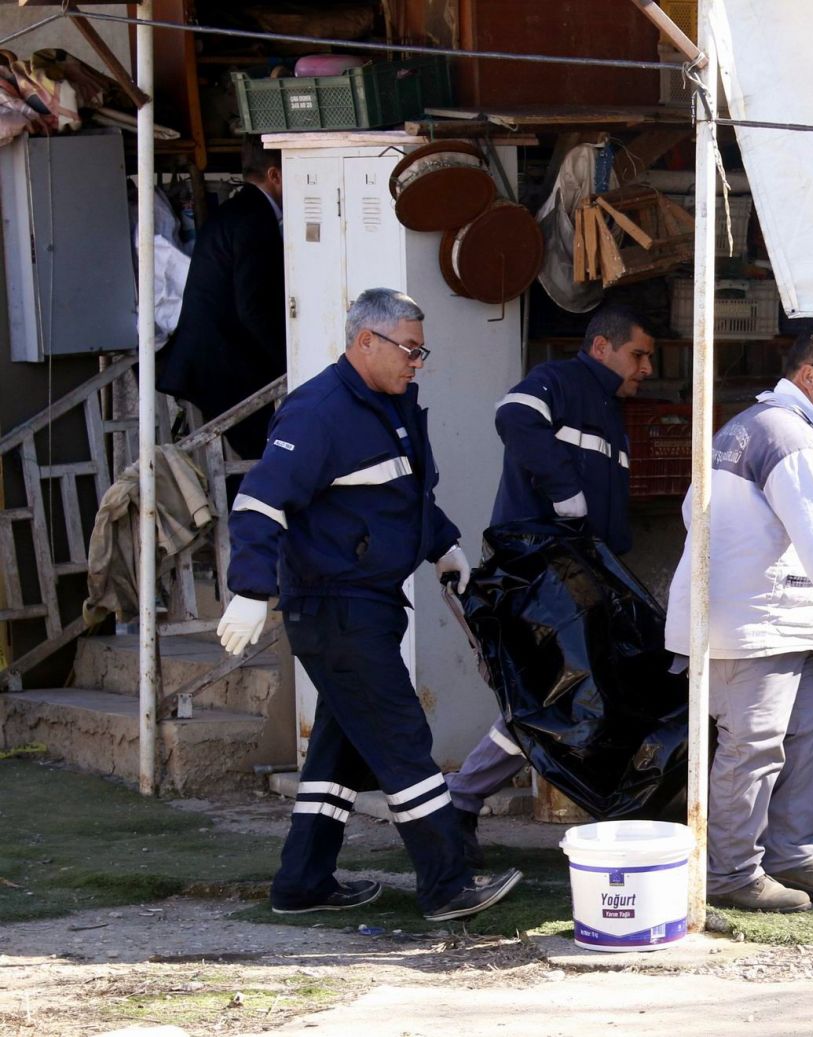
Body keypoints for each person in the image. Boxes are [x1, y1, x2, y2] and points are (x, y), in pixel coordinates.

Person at [216, 287, 522, 922]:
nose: (418, 362)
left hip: (369, 604)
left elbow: (405, 494)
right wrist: (249, 590)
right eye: (409, 349)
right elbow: (259, 504)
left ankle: (302, 882)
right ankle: (446, 884)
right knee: (401, 738)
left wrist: (444, 546)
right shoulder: (318, 412)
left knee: (339, 751)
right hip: (333, 607)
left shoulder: (393, 405)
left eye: (421, 349)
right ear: (365, 342)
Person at [665, 324, 813, 913]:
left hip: (757, 615)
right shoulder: (789, 439)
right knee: (753, 745)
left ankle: (792, 854)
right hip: (751, 624)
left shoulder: (754, 429)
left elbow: (692, 512)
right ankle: (731, 872)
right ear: (809, 377)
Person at [447, 304, 656, 865]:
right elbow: (513, 414)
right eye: (638, 355)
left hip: (580, 571)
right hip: (542, 566)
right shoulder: (560, 381)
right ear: (600, 348)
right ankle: (460, 801)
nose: (646, 369)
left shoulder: (609, 411)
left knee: (566, 698)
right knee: (553, 699)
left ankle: (466, 802)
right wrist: (564, 490)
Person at [157, 136, 287, 459]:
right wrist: (290, 361)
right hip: (220, 365)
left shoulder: (237, 210)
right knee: (269, 453)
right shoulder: (256, 220)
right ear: (275, 176)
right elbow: (253, 309)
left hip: (208, 359)